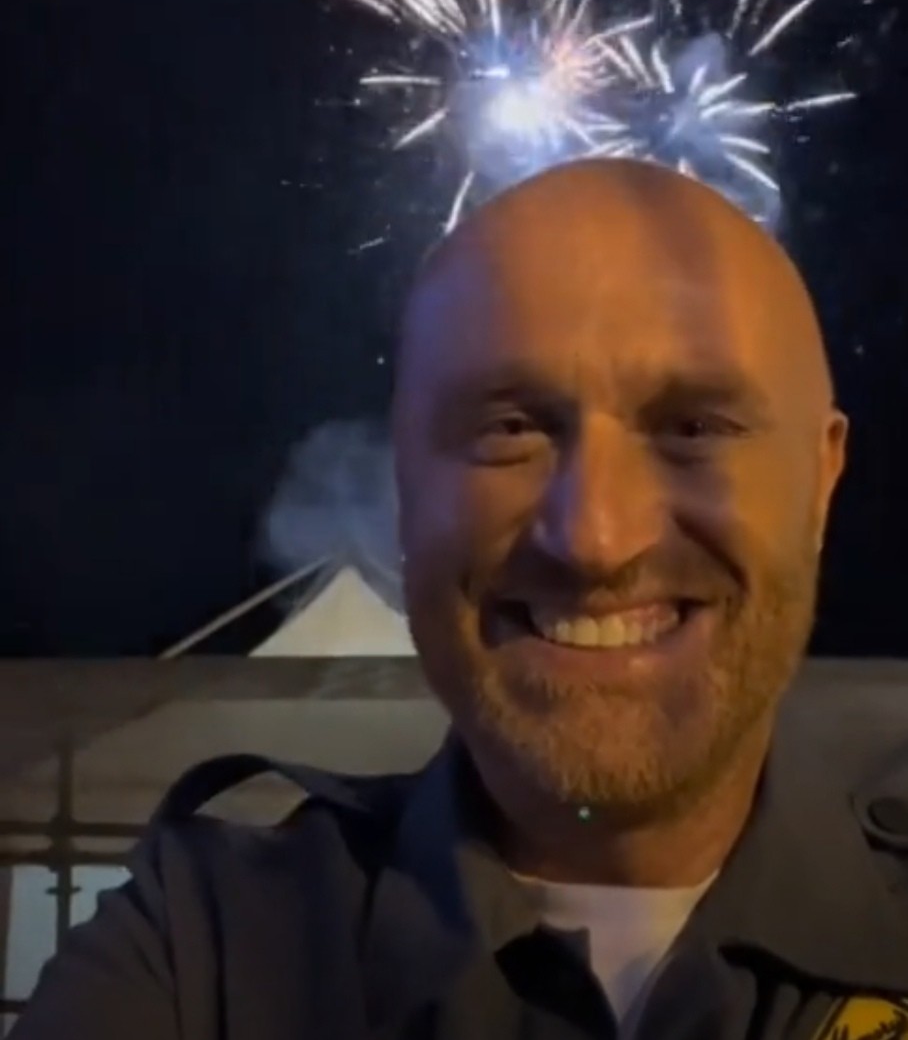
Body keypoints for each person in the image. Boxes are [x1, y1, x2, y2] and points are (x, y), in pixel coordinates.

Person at [12, 158, 908, 1040]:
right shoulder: (204, 945)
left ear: (820, 481)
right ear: (405, 485)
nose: (594, 537)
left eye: (695, 427)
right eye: (509, 428)